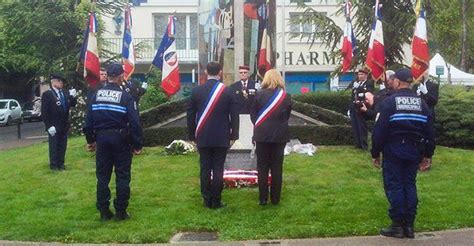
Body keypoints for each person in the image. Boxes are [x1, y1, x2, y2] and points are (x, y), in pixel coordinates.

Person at [371, 68, 435, 239]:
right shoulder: (422, 104)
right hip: (414, 150)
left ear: (397, 82)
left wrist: (375, 153)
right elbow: (430, 132)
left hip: (394, 149)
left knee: (396, 186)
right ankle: (409, 226)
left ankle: (397, 225)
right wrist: (428, 155)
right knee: (409, 184)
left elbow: (379, 131)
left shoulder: (390, 103)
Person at [83, 63, 143, 221]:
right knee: (122, 176)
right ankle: (121, 211)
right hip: (121, 140)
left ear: (108, 75)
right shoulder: (125, 96)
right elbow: (135, 122)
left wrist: (90, 140)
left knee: (102, 176)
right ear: (121, 76)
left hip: (102, 139)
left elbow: (88, 121)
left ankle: (103, 211)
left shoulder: (95, 95)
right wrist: (137, 144)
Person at [186, 62, 239, 209]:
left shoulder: (196, 91)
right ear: (220, 73)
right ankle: (216, 200)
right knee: (218, 169)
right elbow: (234, 115)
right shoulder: (228, 91)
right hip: (222, 136)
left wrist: (192, 136)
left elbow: (190, 116)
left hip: (202, 135)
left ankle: (206, 198)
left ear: (206, 72)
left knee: (204, 168)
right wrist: (234, 135)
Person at [250, 69, 292, 206]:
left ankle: (263, 199)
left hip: (262, 135)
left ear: (266, 79)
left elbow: (253, 116)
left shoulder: (258, 95)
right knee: (277, 167)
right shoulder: (285, 96)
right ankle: (275, 199)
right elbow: (287, 116)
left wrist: (261, 126)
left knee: (262, 167)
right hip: (280, 136)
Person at [41, 74, 77, 171]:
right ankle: (54, 165)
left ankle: (61, 163)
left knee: (63, 145)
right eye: (59, 81)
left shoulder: (65, 93)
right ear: (54, 82)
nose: (61, 83)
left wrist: (73, 97)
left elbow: (72, 104)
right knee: (54, 145)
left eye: (62, 81)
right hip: (53, 124)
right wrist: (48, 126)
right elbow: (44, 112)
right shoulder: (48, 94)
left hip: (64, 124)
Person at [346, 68, 374, 149]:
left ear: (366, 75)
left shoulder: (369, 83)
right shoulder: (356, 83)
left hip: (362, 107)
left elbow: (368, 93)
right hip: (354, 106)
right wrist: (349, 107)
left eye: (361, 74)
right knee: (355, 126)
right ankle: (357, 144)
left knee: (362, 126)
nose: (360, 76)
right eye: (359, 75)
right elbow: (353, 96)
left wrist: (359, 88)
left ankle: (364, 145)